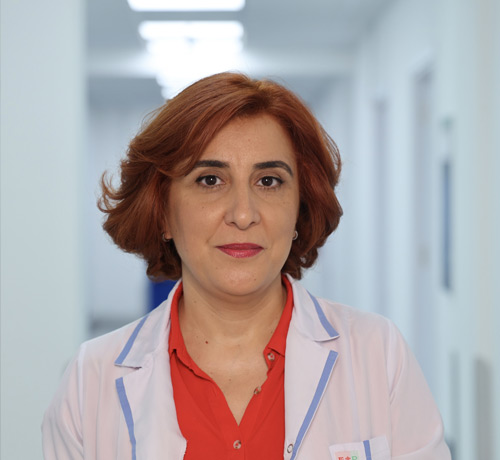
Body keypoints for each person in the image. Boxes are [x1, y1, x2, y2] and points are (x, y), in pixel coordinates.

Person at [42, 72, 451, 460]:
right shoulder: (90, 380)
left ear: (300, 208)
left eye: (268, 181)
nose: (242, 214)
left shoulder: (378, 354)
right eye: (210, 180)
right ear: (163, 212)